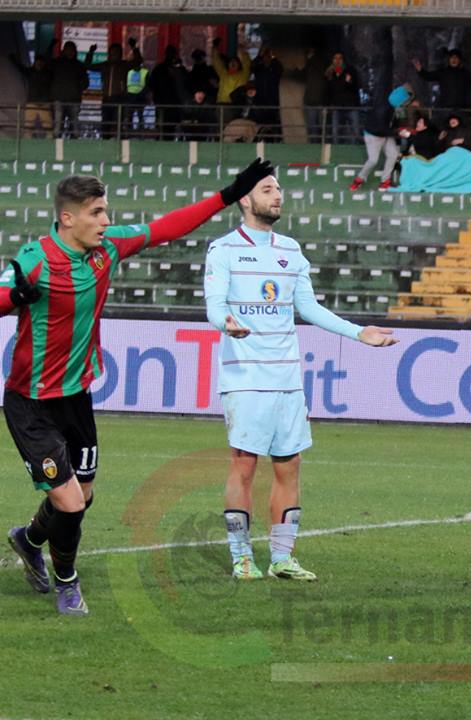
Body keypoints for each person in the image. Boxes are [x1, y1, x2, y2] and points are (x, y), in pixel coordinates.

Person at [2, 159, 274, 616]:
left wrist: (228, 195)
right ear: (68, 218)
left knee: (82, 497)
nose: (107, 222)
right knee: (69, 502)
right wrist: (14, 298)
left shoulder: (108, 249)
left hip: (76, 396)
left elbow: (167, 228)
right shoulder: (35, 258)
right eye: (97, 213)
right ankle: (67, 582)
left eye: (107, 212)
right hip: (30, 402)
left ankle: (28, 541)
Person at [204, 171, 398, 582]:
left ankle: (282, 558)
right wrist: (226, 322)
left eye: (278, 189)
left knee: (289, 466)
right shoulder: (223, 250)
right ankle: (241, 557)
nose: (278, 195)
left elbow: (308, 308)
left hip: (288, 377)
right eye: (267, 189)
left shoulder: (290, 250)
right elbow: (213, 304)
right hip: (245, 376)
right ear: (244, 200)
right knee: (243, 466)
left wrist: (358, 332)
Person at [349, 84, 416, 191]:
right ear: (401, 99)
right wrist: (398, 132)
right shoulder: (383, 109)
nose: (406, 104)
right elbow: (380, 129)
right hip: (373, 135)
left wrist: (402, 129)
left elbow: (395, 124)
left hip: (386, 133)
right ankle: (359, 179)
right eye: (406, 101)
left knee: (393, 154)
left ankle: (385, 181)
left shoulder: (396, 107)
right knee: (373, 160)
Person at [87, 38, 142, 139]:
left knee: (118, 124)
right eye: (112, 53)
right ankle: (105, 143)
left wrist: (134, 48)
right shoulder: (105, 65)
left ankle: (120, 145)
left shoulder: (124, 65)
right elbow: (88, 65)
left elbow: (138, 61)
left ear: (120, 54)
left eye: (116, 53)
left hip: (119, 99)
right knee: (105, 125)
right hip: (106, 99)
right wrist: (91, 52)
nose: (114, 55)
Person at [49, 40, 91, 139]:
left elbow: (85, 82)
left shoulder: (78, 65)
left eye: (72, 50)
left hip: (72, 99)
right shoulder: (57, 63)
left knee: (74, 126)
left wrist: (78, 88)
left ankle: (73, 146)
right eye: (68, 50)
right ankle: (56, 145)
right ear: (64, 51)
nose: (70, 52)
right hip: (60, 98)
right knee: (59, 125)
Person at [9, 47, 54, 139]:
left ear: (44, 63)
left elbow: (49, 58)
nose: (39, 64)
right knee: (28, 127)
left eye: (41, 62)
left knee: (48, 128)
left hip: (44, 103)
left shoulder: (48, 73)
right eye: (38, 62)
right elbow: (20, 67)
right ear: (35, 62)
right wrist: (13, 59)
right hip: (33, 102)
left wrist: (51, 46)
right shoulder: (31, 72)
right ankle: (28, 143)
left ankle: (49, 145)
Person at [324, 51, 361, 144]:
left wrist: (349, 82)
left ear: (343, 60)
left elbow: (356, 86)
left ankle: (354, 153)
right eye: (335, 58)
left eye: (339, 58)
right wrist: (327, 105)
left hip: (351, 106)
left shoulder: (350, 70)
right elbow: (328, 91)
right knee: (335, 132)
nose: (337, 60)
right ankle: (336, 153)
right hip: (337, 106)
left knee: (355, 132)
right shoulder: (330, 73)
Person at [212, 36, 252, 105]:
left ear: (239, 64)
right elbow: (216, 62)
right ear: (228, 64)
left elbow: (247, 64)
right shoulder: (223, 73)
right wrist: (215, 47)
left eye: (235, 62)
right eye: (231, 61)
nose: (233, 63)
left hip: (235, 105)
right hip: (222, 103)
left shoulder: (243, 75)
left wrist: (242, 51)